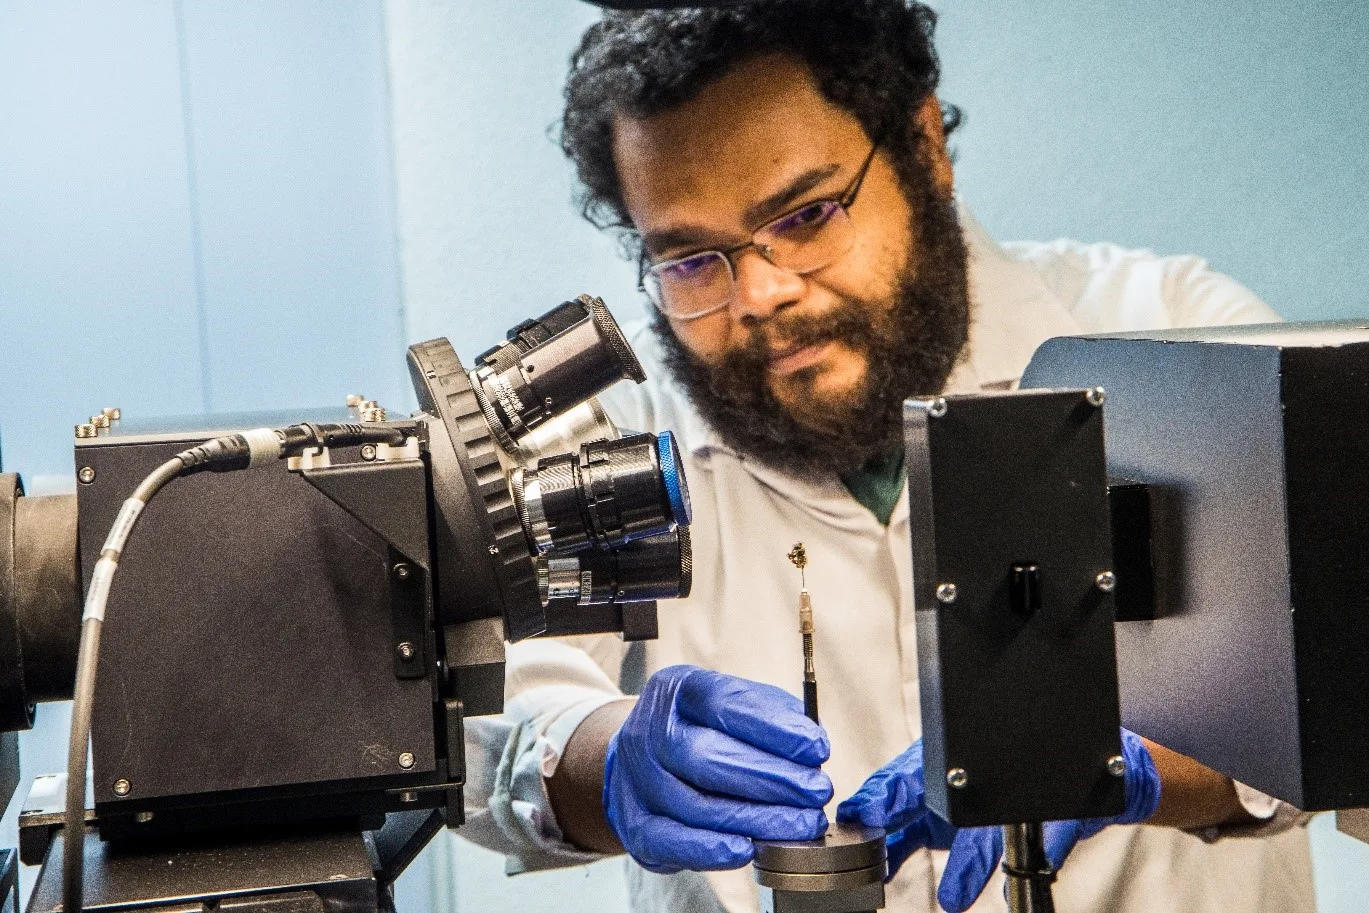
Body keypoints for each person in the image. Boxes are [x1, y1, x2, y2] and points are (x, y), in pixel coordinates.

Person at [459, 3, 1314, 911]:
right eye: (690, 260)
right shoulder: (607, 428)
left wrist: (1120, 761)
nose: (759, 293)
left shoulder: (1184, 339)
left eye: (805, 214)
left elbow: (1335, 670)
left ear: (923, 146)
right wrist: (611, 757)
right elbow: (473, 703)